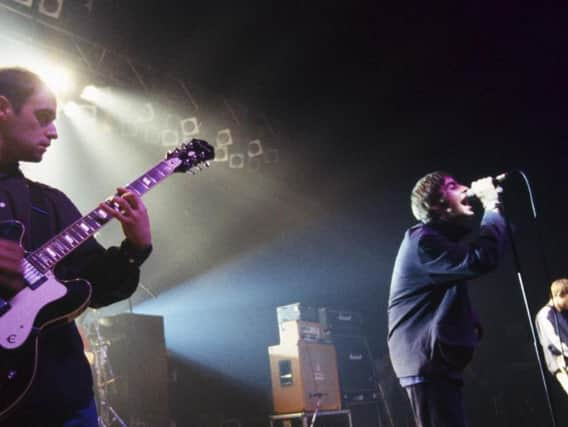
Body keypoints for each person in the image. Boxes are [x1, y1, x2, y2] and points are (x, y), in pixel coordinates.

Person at [0, 67, 152, 425]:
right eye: (43, 117)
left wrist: (135, 247)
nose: (53, 132)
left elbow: (93, 290)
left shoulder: (50, 203)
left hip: (58, 396)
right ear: (3, 107)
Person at [387, 171, 506, 426]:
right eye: (452, 186)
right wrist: (492, 207)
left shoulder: (435, 241)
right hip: (425, 363)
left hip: (433, 363)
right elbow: (481, 259)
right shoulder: (423, 241)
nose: (464, 187)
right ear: (434, 205)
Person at [535, 278, 568, 396]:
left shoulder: (562, 314)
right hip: (562, 364)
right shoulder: (545, 314)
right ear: (560, 295)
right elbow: (554, 341)